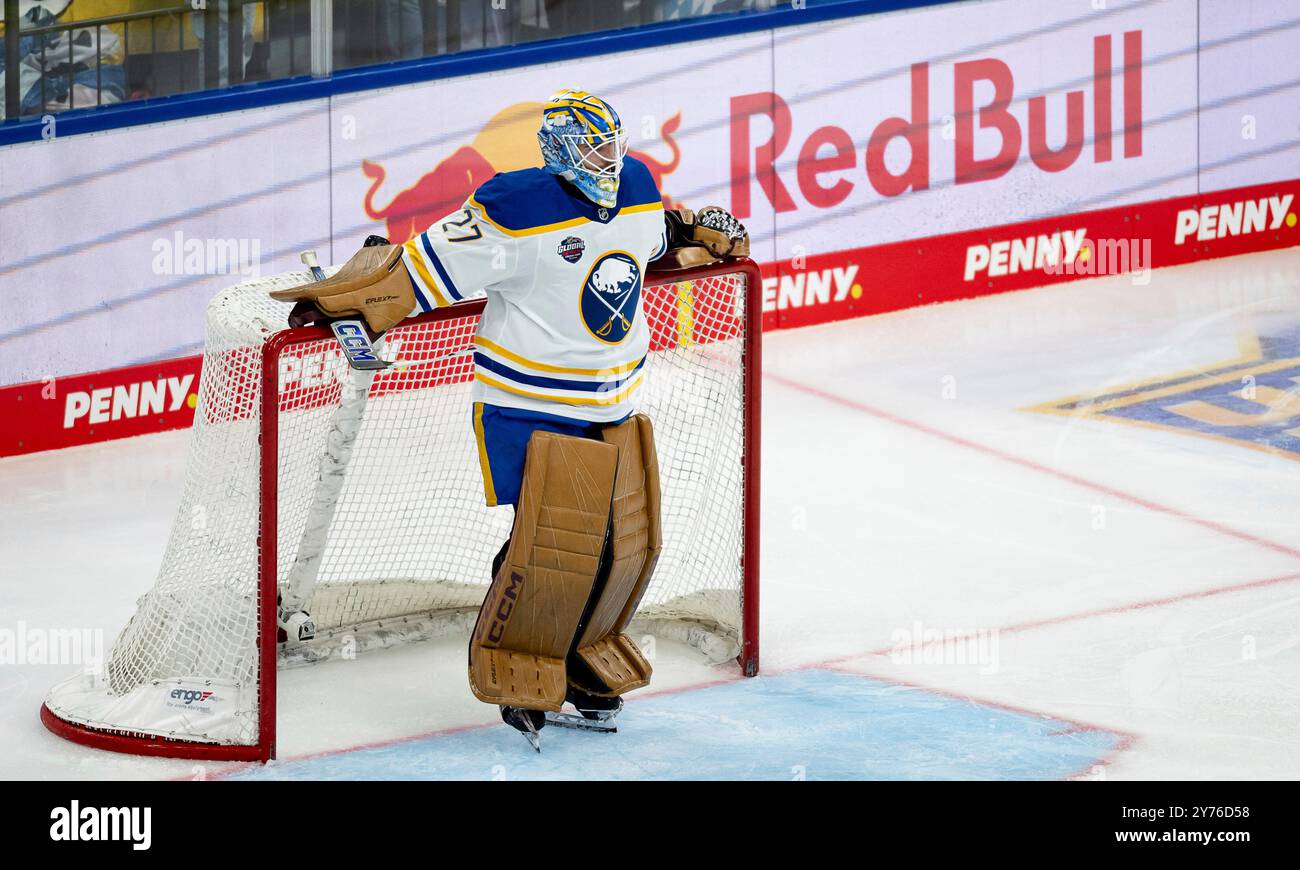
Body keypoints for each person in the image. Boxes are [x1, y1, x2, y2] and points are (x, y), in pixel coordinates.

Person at [272, 89, 748, 749]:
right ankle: (522, 661)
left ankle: (581, 661)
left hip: (614, 401)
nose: (607, 158)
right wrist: (350, 301)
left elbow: (653, 233)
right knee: (556, 541)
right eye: (592, 147)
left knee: (622, 547)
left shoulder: (636, 184)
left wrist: (694, 231)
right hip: (531, 404)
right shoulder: (515, 209)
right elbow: (418, 270)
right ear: (557, 149)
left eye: (611, 144)